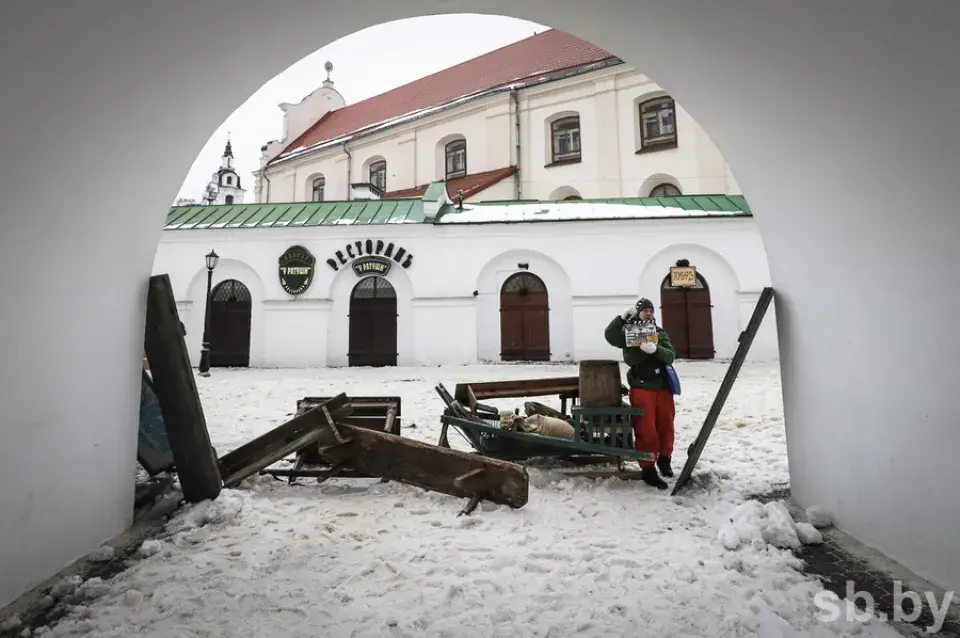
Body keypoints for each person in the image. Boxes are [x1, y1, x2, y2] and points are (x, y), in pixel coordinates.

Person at [603, 298, 677, 489]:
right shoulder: (629, 332)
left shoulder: (659, 333)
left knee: (666, 426)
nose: (648, 313)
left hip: (662, 387)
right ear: (637, 314)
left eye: (651, 310)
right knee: (647, 430)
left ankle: (665, 459)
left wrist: (655, 350)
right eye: (644, 310)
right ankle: (648, 468)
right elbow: (610, 336)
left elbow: (670, 355)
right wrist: (621, 319)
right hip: (642, 387)